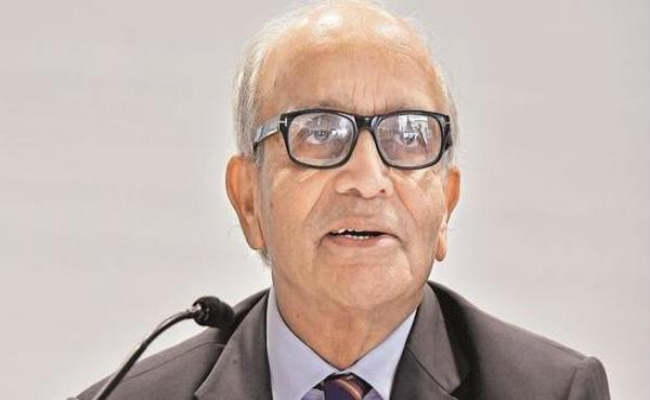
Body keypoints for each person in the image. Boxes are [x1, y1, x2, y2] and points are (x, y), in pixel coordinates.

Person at [77, 1, 610, 399]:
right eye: (319, 132)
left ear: (446, 206)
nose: (367, 178)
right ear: (248, 201)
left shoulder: (553, 392)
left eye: (408, 135)